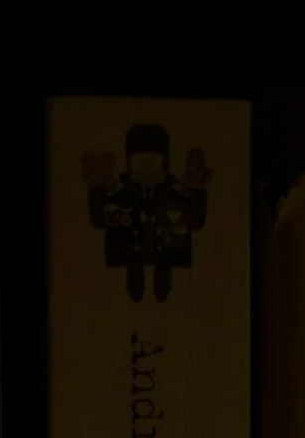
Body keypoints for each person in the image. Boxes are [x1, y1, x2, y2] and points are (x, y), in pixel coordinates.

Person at [85, 123, 213, 303]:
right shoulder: (119, 191)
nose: (146, 169)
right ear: (129, 163)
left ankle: (161, 282)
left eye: (152, 162)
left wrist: (198, 191)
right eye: (140, 162)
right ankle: (136, 283)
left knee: (165, 260)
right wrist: (96, 190)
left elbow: (196, 220)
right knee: (134, 264)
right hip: (130, 248)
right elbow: (99, 218)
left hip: (166, 248)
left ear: (164, 163)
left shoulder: (176, 192)